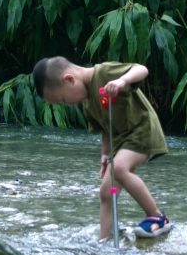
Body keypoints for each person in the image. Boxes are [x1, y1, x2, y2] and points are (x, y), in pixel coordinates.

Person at [33, 53, 171, 241]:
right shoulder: (88, 102)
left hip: (142, 129)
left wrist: (122, 81)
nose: (69, 105)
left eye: (64, 100)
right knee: (106, 192)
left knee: (120, 169)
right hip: (121, 141)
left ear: (69, 79)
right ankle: (104, 239)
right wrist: (105, 156)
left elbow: (141, 69)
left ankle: (157, 216)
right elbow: (105, 130)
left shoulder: (104, 72)